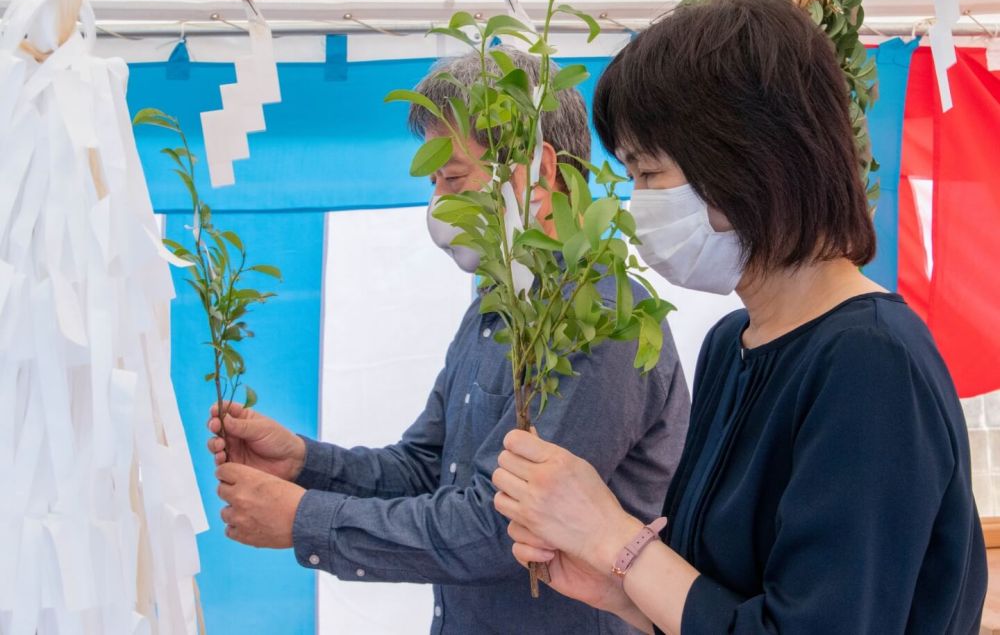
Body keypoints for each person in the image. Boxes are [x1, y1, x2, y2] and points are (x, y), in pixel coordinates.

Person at [492, 0, 988, 635]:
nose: (636, 205)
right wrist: (618, 590)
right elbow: (721, 603)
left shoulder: (869, 360)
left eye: (649, 173)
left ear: (744, 163)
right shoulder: (734, 345)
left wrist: (610, 533)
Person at [209, 47, 691, 634]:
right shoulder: (494, 310)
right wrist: (304, 463)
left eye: (453, 177)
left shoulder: (603, 319)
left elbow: (497, 529)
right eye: (435, 182)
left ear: (536, 172)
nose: (438, 204)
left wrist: (306, 521)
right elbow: (427, 468)